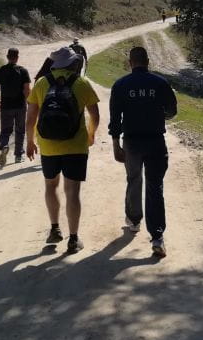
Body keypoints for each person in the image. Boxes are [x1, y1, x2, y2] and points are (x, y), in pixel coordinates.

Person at [25, 47, 100, 254]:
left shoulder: (42, 83)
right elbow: (95, 115)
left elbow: (31, 117)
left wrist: (30, 142)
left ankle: (54, 229)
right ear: (73, 63)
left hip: (48, 145)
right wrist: (91, 134)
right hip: (76, 146)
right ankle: (73, 239)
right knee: (72, 191)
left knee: (51, 186)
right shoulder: (81, 83)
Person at [108, 46, 177, 258]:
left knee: (134, 180)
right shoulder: (160, 83)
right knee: (155, 186)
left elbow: (115, 119)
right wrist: (160, 114)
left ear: (130, 63)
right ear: (148, 61)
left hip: (132, 142)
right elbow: (172, 111)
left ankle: (134, 220)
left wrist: (116, 145)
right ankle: (157, 237)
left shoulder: (120, 85)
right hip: (155, 141)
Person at [0, 48, 31, 166]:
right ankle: (18, 155)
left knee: (5, 130)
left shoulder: (0, 71)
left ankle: (4, 145)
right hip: (20, 106)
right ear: (17, 58)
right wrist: (29, 102)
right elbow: (27, 89)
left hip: (6, 106)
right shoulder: (23, 71)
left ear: (7, 57)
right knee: (20, 130)